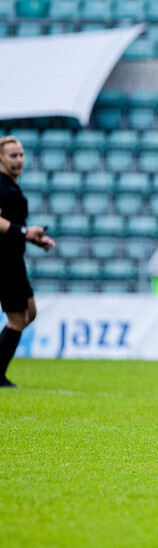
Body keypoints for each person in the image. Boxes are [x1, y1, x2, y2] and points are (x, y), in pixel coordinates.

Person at [0, 136, 56, 388]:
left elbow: (13, 227)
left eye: (21, 154)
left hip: (15, 257)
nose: (19, 159)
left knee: (29, 313)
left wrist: (34, 239)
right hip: (4, 260)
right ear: (1, 158)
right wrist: (24, 232)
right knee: (17, 319)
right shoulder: (1, 186)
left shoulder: (13, 186)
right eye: (13, 155)